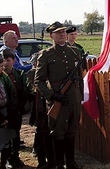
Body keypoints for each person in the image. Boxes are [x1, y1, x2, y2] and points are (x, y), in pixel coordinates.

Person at [34, 21, 84, 169]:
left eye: (63, 32)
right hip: (58, 100)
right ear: (51, 36)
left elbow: (80, 78)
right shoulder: (46, 55)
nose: (62, 34)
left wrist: (80, 96)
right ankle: (58, 163)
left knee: (71, 131)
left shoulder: (75, 52)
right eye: (58, 33)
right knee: (58, 133)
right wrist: (52, 96)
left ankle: (70, 162)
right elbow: (39, 81)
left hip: (74, 99)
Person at [2, 49, 31, 168]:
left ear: (14, 61)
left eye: (8, 60)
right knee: (6, 136)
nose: (5, 63)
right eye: (3, 61)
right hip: (4, 111)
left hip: (16, 110)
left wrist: (21, 108)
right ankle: (8, 158)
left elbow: (23, 92)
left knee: (16, 134)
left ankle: (15, 157)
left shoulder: (19, 75)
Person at [27, 52, 54, 169]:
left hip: (46, 107)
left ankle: (51, 160)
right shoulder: (33, 73)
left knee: (48, 135)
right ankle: (42, 160)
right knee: (43, 134)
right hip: (40, 108)